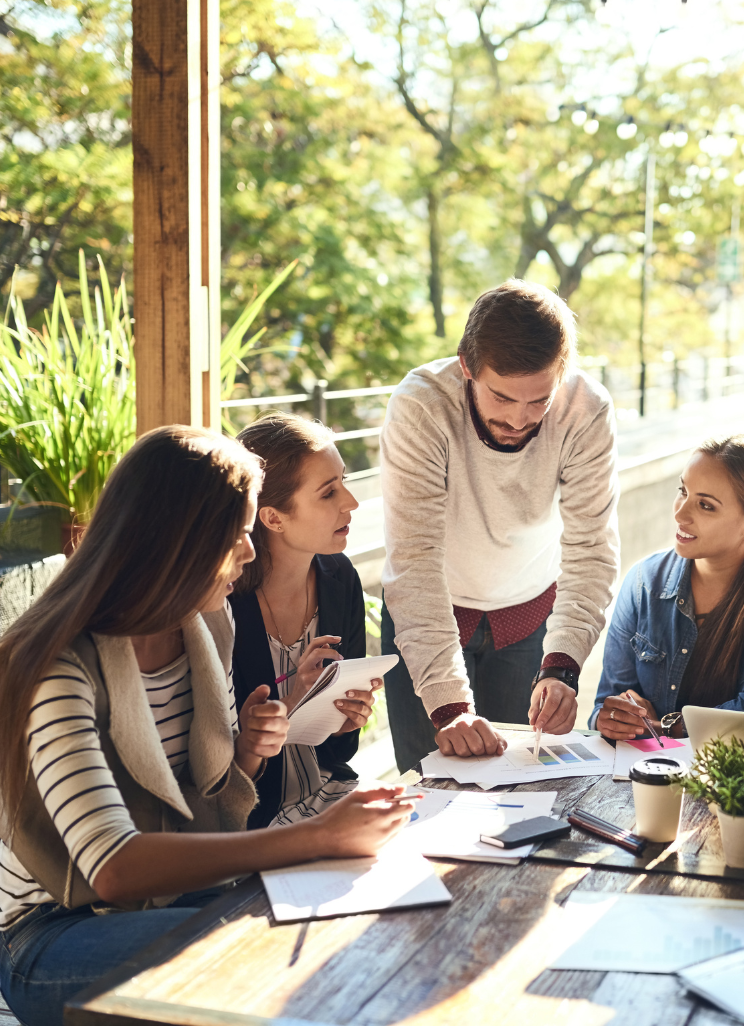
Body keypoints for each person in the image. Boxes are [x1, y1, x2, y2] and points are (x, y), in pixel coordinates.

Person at [0, 426, 414, 1026]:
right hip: (52, 934)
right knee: (277, 957)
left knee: (360, 924)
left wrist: (245, 753)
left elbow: (205, 805)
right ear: (181, 542)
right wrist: (317, 836)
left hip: (173, 899)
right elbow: (113, 868)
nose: (249, 553)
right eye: (239, 533)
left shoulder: (204, 631)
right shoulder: (56, 668)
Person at [380, 279, 619, 772]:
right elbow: (415, 560)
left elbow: (591, 549)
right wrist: (449, 707)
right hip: (428, 614)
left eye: (539, 401)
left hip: (530, 618)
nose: (519, 419)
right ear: (467, 366)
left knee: (519, 787)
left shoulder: (587, 409)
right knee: (429, 789)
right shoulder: (422, 404)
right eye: (503, 398)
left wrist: (563, 666)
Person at [592, 433, 744, 741]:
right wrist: (611, 719)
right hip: (641, 771)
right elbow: (606, 702)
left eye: (705, 505)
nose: (679, 513)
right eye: (682, 491)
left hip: (735, 779)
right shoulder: (643, 581)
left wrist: (665, 726)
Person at [230, 413, 376, 827]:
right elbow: (223, 773)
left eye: (343, 481)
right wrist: (292, 700)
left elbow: (338, 755)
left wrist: (346, 721)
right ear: (273, 518)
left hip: (331, 797)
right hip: (251, 824)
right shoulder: (223, 603)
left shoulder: (339, 577)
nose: (351, 502)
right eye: (328, 493)